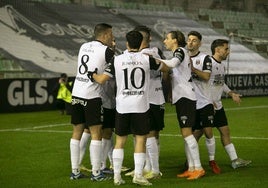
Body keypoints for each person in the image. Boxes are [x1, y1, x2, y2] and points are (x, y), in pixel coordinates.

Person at [88, 30, 168, 186]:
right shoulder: (147, 59)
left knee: (120, 141)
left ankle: (117, 176)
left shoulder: (117, 59)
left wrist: (92, 75)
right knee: (140, 140)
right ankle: (138, 175)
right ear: (141, 44)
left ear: (127, 43)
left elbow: (103, 79)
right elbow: (165, 68)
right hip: (141, 106)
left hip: (122, 106)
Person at [156, 30, 205, 180]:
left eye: (167, 38)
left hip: (185, 97)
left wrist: (154, 60)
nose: (165, 41)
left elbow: (172, 64)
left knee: (187, 134)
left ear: (175, 40)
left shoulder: (179, 51)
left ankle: (198, 168)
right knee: (186, 134)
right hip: (183, 97)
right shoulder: (181, 51)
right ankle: (191, 168)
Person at [69, 23, 114, 181]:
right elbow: (114, 66)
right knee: (96, 134)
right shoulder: (107, 51)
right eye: (111, 35)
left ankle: (75, 171)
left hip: (76, 93)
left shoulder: (83, 46)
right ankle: (96, 173)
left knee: (77, 133)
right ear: (105, 35)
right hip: (92, 95)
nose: (113, 38)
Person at [208, 39, 252, 169]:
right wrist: (208, 101)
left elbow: (221, 83)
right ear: (217, 50)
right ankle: (190, 163)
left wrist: (231, 93)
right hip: (207, 106)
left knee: (225, 132)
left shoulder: (221, 65)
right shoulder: (208, 63)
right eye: (226, 49)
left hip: (218, 106)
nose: (228, 52)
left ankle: (235, 160)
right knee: (196, 134)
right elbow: (200, 84)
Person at [134, 25, 166, 179]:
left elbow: (166, 70)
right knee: (141, 134)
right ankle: (145, 167)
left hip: (153, 98)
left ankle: (155, 169)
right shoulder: (134, 54)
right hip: (141, 99)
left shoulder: (154, 52)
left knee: (152, 134)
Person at [187, 31, 221, 174]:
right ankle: (191, 163)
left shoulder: (205, 58)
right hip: (190, 102)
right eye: (189, 40)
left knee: (208, 132)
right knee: (191, 135)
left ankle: (212, 161)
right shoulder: (182, 58)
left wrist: (193, 69)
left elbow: (207, 76)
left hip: (204, 101)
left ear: (199, 43)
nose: (191, 42)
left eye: (194, 40)